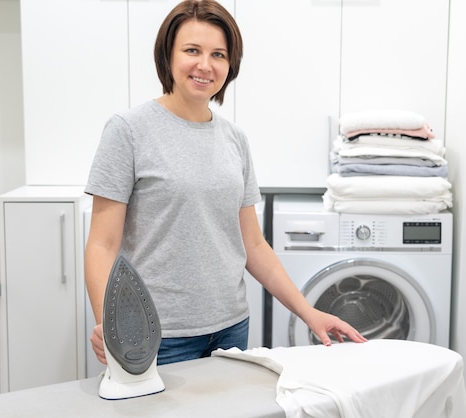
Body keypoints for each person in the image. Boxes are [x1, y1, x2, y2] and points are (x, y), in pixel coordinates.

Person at [84, 0, 367, 366]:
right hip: (157, 335)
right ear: (167, 55)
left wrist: (308, 312)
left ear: (230, 64)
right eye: (192, 50)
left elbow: (252, 245)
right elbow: (101, 246)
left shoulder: (235, 139)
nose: (205, 65)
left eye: (218, 54)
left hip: (231, 330)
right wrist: (112, 324)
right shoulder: (128, 130)